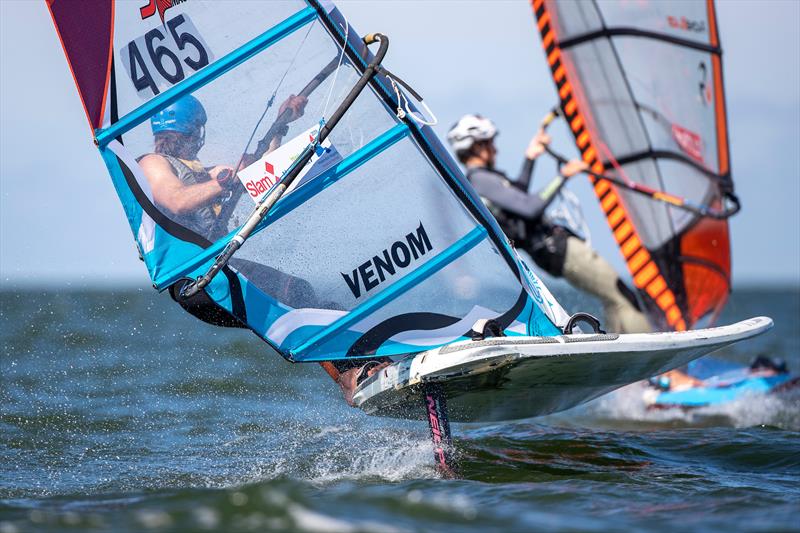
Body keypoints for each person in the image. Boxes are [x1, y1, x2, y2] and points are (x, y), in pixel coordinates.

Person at [139, 94, 387, 404]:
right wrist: (225, 182)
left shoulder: (207, 171)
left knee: (301, 296)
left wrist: (282, 123)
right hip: (199, 281)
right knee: (297, 298)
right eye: (198, 130)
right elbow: (174, 199)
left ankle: (375, 362)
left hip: (219, 272)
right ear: (192, 130)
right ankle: (352, 376)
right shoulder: (153, 163)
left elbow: (264, 172)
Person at [447, 114, 651, 334]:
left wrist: (531, 158)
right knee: (621, 295)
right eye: (490, 143)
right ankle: (652, 357)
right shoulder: (481, 180)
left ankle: (620, 351)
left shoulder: (483, 180)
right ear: (477, 147)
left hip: (551, 252)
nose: (495, 149)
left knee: (613, 298)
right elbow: (529, 207)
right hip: (557, 249)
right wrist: (563, 175)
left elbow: (516, 196)